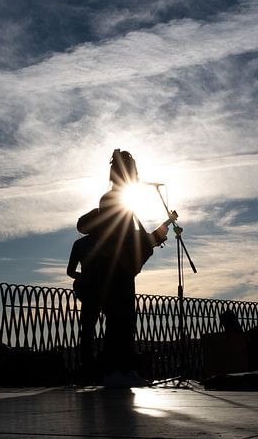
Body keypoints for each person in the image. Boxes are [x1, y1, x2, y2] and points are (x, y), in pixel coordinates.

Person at [78, 149, 169, 388]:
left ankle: (124, 369)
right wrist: (150, 240)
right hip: (113, 270)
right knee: (119, 321)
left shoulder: (120, 201)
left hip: (120, 269)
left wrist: (156, 236)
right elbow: (118, 238)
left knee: (125, 321)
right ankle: (114, 371)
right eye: (133, 173)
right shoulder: (112, 200)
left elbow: (130, 240)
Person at [66, 231, 103, 384]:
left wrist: (84, 277)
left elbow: (70, 271)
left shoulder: (79, 244)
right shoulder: (110, 241)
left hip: (88, 289)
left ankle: (88, 368)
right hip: (104, 288)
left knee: (87, 330)